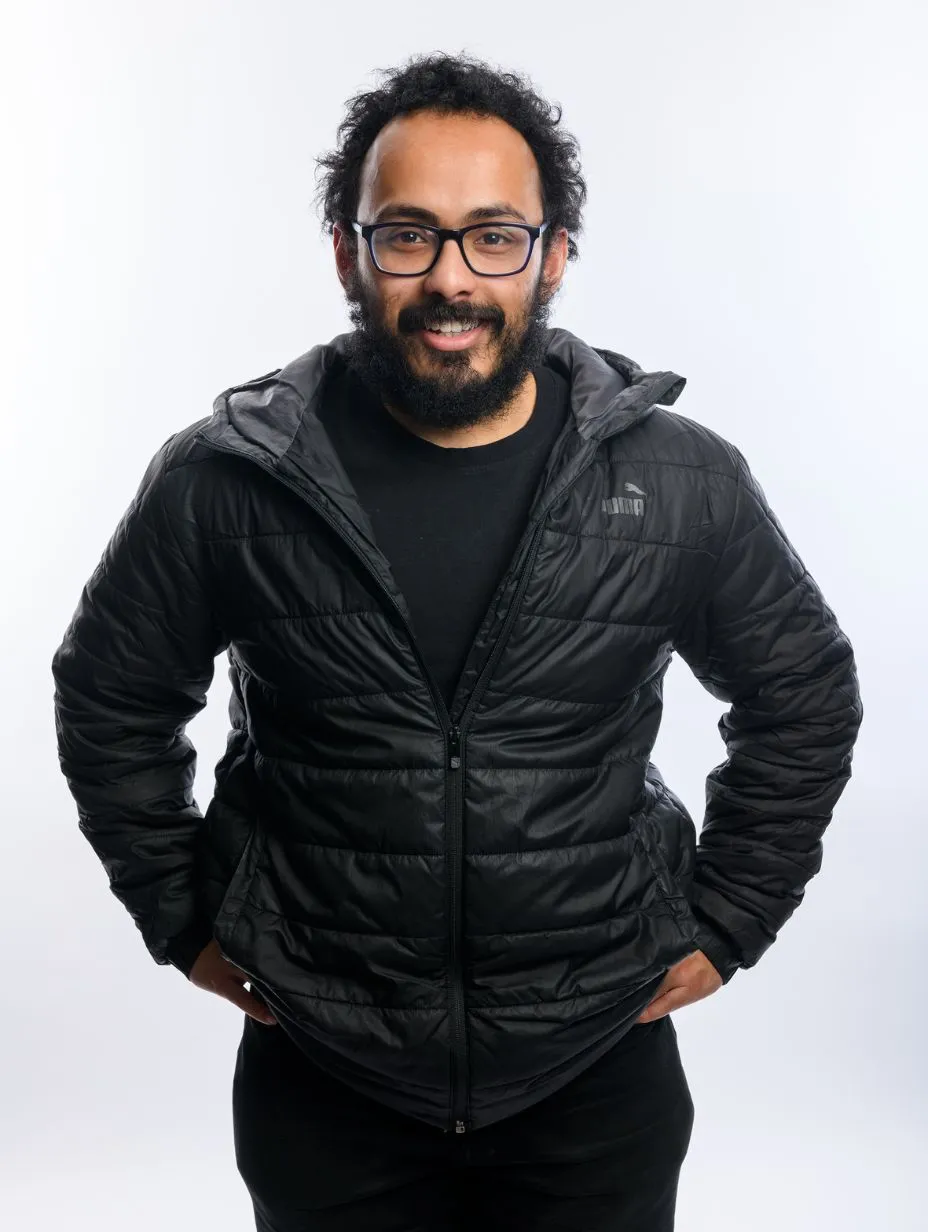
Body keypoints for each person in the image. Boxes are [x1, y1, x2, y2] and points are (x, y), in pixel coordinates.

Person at [51, 52, 863, 1232]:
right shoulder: (225, 480)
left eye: (493, 236)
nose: (450, 278)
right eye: (407, 235)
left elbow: (803, 692)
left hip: (594, 1067)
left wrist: (732, 914)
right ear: (347, 251)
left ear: (552, 255)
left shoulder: (680, 480)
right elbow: (109, 695)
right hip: (324, 1071)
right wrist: (180, 912)